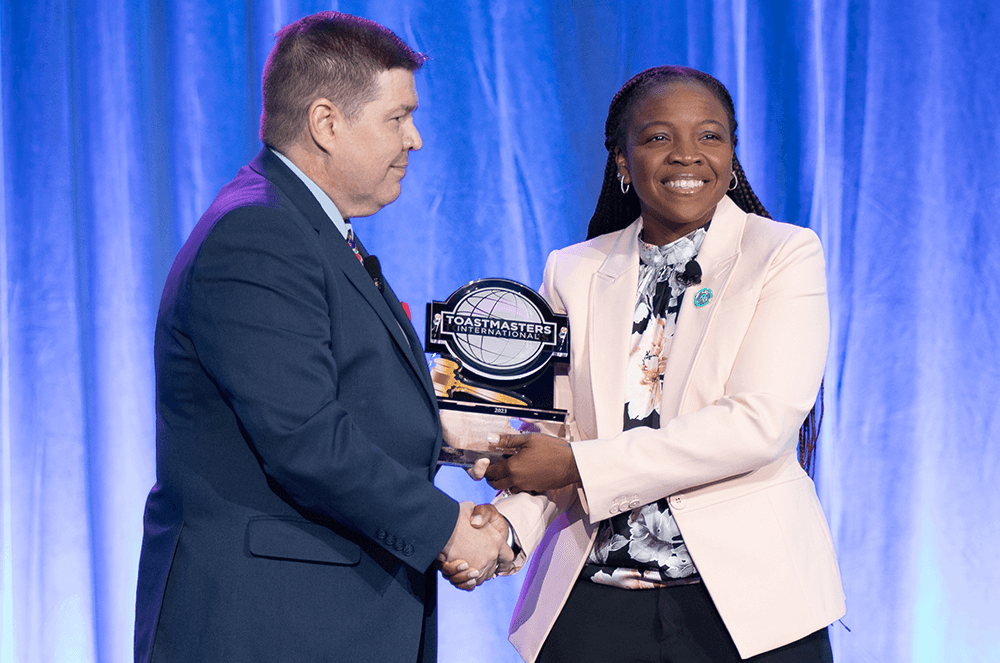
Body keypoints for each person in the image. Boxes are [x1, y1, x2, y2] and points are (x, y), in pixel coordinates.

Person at [134, 12, 510, 663]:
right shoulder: (259, 236)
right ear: (327, 122)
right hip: (268, 627)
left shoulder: (308, 226)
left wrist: (448, 436)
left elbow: (343, 392)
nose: (415, 140)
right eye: (397, 118)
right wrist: (448, 527)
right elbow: (305, 436)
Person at [448, 65, 845, 662]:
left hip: (746, 613)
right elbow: (552, 439)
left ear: (732, 155)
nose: (688, 156)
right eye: (659, 137)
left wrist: (577, 463)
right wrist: (503, 530)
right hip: (593, 609)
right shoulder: (573, 270)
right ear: (621, 162)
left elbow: (757, 424)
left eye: (710, 136)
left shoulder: (783, 253)